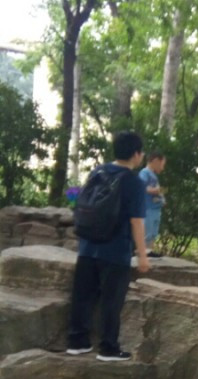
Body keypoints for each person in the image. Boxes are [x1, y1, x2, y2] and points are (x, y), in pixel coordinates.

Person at [66, 130, 150, 362]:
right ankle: (108, 348)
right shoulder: (134, 182)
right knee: (111, 301)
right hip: (115, 251)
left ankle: (77, 342)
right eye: (141, 152)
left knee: (82, 296)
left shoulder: (98, 171)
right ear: (136, 154)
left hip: (87, 246)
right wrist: (142, 255)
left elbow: (79, 198)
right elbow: (137, 222)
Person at [138, 150, 166, 257]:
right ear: (156, 161)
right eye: (162, 165)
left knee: (153, 233)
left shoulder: (154, 176)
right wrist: (156, 190)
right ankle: (143, 252)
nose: (162, 168)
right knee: (147, 232)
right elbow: (142, 187)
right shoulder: (144, 173)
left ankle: (149, 251)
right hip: (148, 208)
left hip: (156, 209)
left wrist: (161, 197)